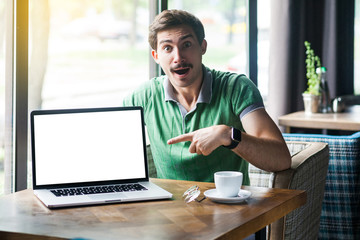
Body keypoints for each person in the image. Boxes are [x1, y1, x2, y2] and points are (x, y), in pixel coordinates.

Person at [123, 9, 291, 185]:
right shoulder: (143, 97)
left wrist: (227, 134)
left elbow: (280, 159)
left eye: (186, 44)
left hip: (228, 208)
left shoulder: (236, 88)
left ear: (202, 47)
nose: (178, 57)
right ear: (156, 56)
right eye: (167, 48)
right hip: (169, 209)